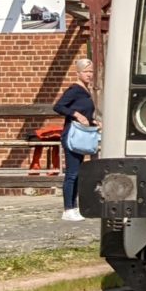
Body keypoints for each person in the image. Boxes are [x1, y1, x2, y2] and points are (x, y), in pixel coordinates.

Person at [55, 56, 99, 221]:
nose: (89, 74)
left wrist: (93, 121)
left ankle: (75, 206)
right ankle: (68, 208)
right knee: (72, 173)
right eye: (86, 71)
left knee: (78, 172)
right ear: (78, 73)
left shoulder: (87, 91)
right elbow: (59, 106)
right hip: (72, 134)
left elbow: (86, 113)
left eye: (91, 71)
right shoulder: (74, 89)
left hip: (83, 135)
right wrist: (76, 114)